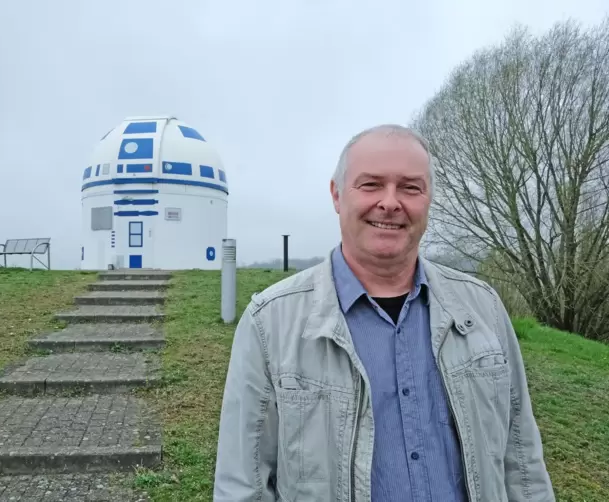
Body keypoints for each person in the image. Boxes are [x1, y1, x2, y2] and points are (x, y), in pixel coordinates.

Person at [212, 124, 554, 501]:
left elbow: (521, 463)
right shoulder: (269, 323)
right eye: (371, 184)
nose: (390, 203)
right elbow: (244, 486)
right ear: (337, 195)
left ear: (428, 199)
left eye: (410, 187)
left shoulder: (483, 307)